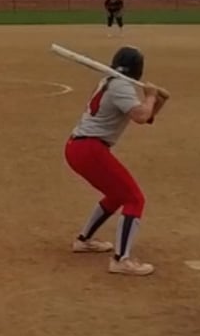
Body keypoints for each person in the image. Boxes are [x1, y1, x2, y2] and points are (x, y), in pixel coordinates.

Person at [64, 46, 168, 277]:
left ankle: (84, 240)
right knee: (134, 199)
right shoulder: (121, 86)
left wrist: (157, 100)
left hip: (80, 148)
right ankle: (121, 260)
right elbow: (141, 116)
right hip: (90, 149)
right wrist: (151, 96)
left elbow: (147, 115)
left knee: (117, 195)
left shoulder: (110, 81)